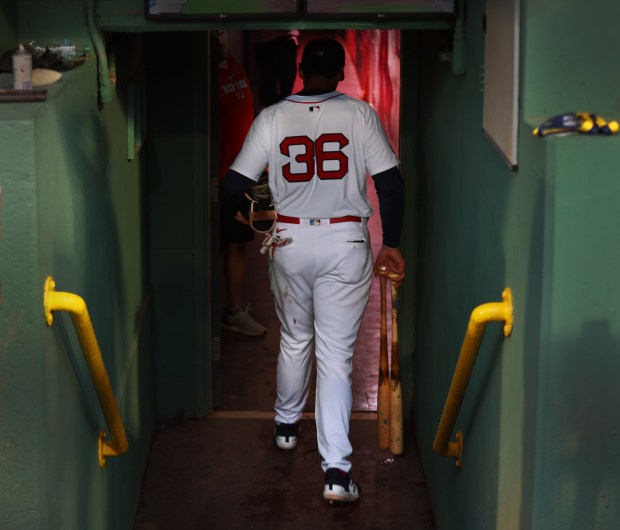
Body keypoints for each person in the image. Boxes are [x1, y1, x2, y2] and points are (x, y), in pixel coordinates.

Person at [220, 37, 405, 503]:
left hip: (290, 241)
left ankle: (286, 427)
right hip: (346, 243)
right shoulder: (360, 114)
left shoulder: (273, 116)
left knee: (295, 339)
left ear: (300, 70)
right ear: (340, 72)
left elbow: (233, 187)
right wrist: (393, 244)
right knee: (336, 358)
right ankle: (337, 473)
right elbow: (391, 184)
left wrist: (243, 217)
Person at [217, 29, 266, 336]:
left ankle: (234, 311)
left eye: (224, 33)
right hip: (223, 177)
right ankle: (232, 313)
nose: (221, 38)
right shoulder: (207, 76)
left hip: (244, 173)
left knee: (239, 245)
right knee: (229, 244)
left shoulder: (235, 65)